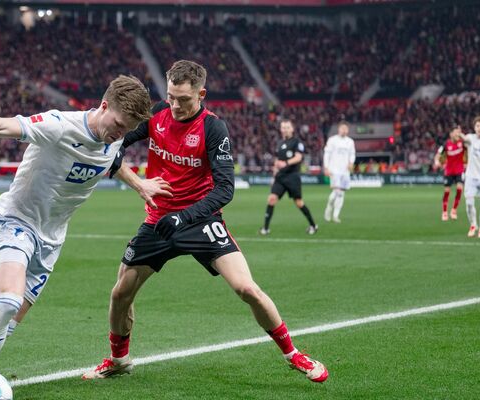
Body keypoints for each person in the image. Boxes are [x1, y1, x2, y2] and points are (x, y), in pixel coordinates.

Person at [0, 75, 163, 384]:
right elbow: (1, 125)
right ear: (103, 106)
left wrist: (139, 185)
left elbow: (112, 162)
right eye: (119, 125)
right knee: (9, 299)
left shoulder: (114, 136)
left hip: (51, 240)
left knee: (4, 323)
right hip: (16, 221)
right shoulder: (59, 125)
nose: (120, 134)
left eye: (127, 130)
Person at [82, 61, 328, 383]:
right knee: (120, 294)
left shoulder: (213, 128)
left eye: (183, 99)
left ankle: (293, 354)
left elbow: (225, 189)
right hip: (158, 220)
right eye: (170, 96)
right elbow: (119, 138)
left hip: (199, 220)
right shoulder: (157, 113)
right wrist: (119, 157)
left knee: (246, 288)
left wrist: (183, 216)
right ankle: (119, 360)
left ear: (201, 94)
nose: (175, 105)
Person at [259, 119, 318, 235]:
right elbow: (277, 161)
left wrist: (285, 163)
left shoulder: (297, 142)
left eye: (287, 127)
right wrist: (274, 176)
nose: (285, 129)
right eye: (283, 127)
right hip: (280, 177)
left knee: (299, 202)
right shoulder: (279, 143)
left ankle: (313, 225)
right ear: (280, 129)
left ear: (292, 129)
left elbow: (298, 157)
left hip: (292, 176)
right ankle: (265, 229)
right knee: (271, 199)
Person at [323, 121, 356, 223]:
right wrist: (326, 167)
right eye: (342, 128)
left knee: (341, 193)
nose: (344, 130)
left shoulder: (350, 142)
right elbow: (327, 154)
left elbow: (352, 154)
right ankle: (329, 207)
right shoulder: (332, 140)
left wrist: (351, 162)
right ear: (338, 129)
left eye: (346, 129)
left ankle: (336, 215)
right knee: (337, 192)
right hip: (334, 170)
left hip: (345, 171)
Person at [433, 125, 465, 221]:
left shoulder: (462, 143)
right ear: (451, 134)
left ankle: (454, 210)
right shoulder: (446, 144)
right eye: (455, 132)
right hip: (449, 171)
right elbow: (437, 155)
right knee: (447, 191)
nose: (457, 134)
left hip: (459, 170)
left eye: (458, 132)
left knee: (460, 189)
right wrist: (437, 161)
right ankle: (444, 212)